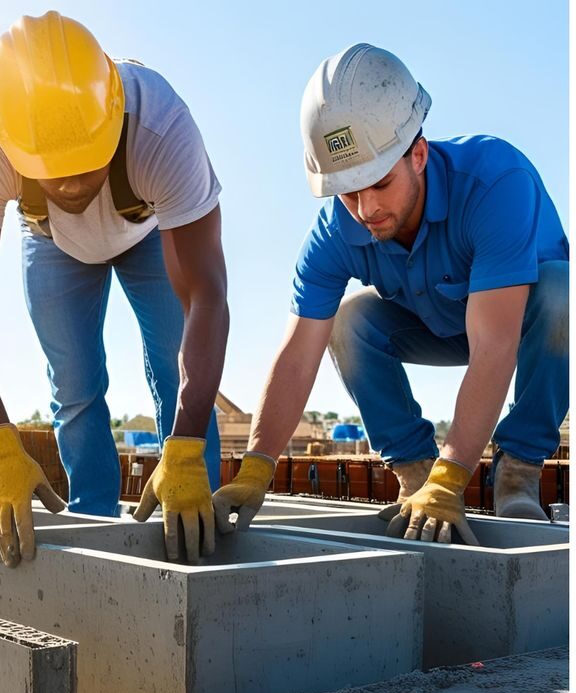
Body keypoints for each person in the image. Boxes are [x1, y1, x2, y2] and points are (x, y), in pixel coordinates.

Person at [213, 43, 568, 544]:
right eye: (348, 191)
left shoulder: (495, 182)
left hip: (518, 325)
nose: (366, 208)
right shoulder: (337, 232)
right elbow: (296, 357)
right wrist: (255, 468)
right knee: (346, 321)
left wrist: (457, 474)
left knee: (561, 294)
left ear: (418, 155)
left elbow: (495, 346)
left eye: (378, 182)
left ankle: (519, 470)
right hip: (436, 326)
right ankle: (416, 474)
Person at [0, 11, 228, 567]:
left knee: (173, 363)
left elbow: (207, 295)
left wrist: (185, 446)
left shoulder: (161, 122)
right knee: (74, 385)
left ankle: (194, 519)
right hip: (52, 242)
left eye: (84, 163)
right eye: (50, 168)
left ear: (114, 115)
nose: (70, 183)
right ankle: (95, 521)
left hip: (146, 234)